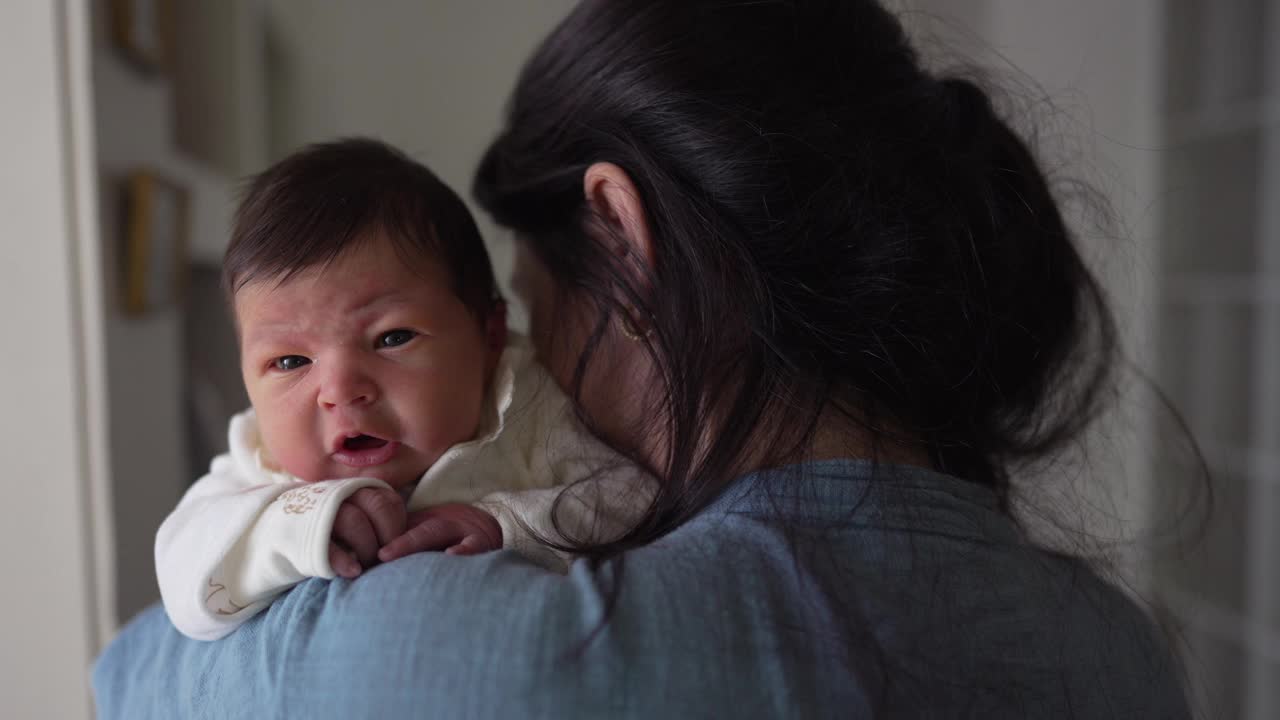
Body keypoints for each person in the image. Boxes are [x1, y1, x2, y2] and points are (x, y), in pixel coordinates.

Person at [93, 1, 1192, 717]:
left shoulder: (483, 649)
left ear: (619, 236)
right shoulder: (1120, 656)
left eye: (533, 309)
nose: (543, 368)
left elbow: (120, 681)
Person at [158, 138, 653, 641]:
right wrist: (294, 527)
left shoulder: (529, 405)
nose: (341, 390)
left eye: (391, 338)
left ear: (490, 335)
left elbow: (633, 499)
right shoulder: (258, 460)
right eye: (290, 361)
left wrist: (509, 527)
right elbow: (181, 572)